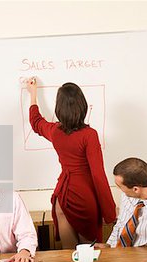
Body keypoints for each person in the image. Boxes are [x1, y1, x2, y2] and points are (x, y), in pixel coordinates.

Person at [27, 78, 116, 249]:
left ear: (59, 108)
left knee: (69, 258)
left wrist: (33, 94)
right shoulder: (89, 135)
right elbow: (98, 175)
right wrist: (110, 213)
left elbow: (36, 122)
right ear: (82, 106)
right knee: (89, 257)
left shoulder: (55, 131)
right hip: (85, 196)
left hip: (63, 196)